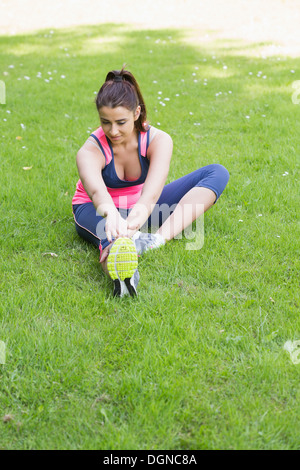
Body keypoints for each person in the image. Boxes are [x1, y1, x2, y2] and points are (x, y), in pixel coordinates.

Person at [72, 67, 229, 297]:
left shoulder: (158, 140)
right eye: (105, 122)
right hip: (96, 209)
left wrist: (137, 218)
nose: (113, 130)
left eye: (121, 122)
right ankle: (123, 276)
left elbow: (152, 194)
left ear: (137, 113)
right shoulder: (90, 150)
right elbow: (97, 193)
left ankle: (154, 240)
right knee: (112, 238)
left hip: (141, 205)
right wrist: (112, 216)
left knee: (217, 172)